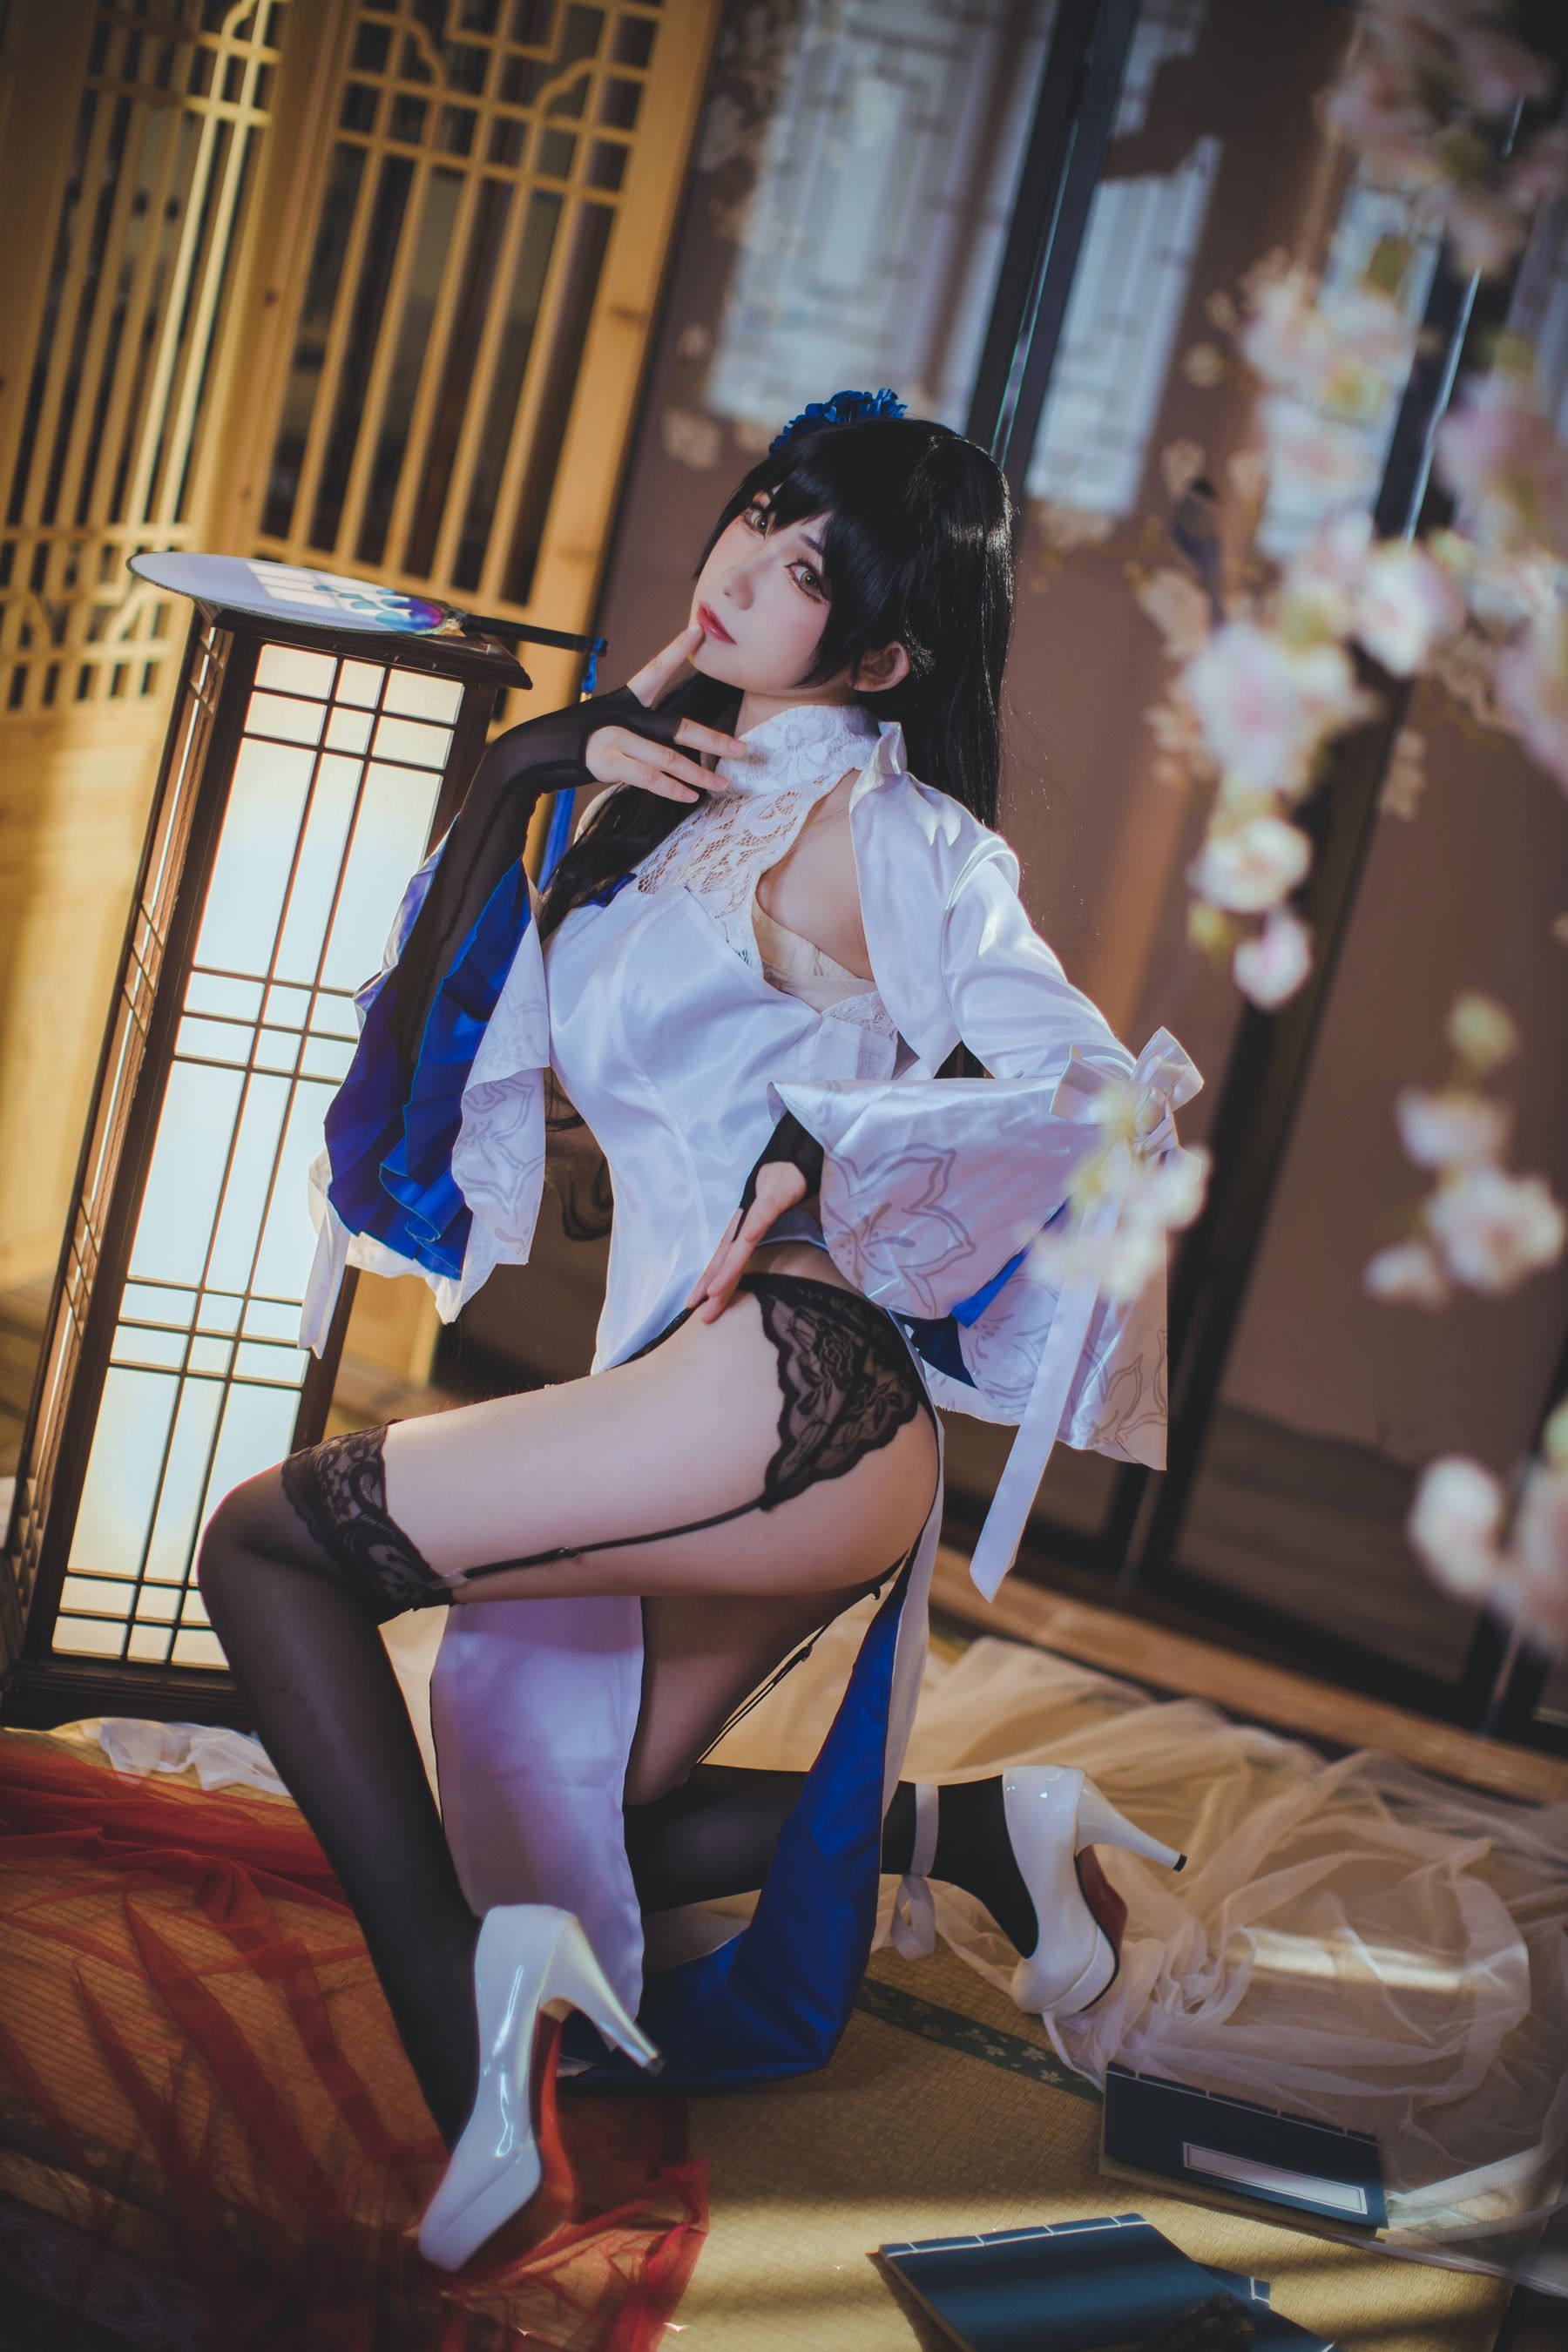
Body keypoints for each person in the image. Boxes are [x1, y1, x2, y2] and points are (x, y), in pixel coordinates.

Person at [196, 393, 1197, 2270]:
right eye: (760, 513)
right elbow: (456, 1000)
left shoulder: (893, 831)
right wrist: (545, 755)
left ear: (882, 659)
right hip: (706, 1397)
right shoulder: (661, 796)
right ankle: (981, 1833)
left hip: (794, 1386)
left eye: (807, 565)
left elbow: (1099, 1089)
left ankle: (475, 2068)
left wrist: (824, 1148)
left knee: (265, 1542)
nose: (742, 562)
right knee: (530, 1821)